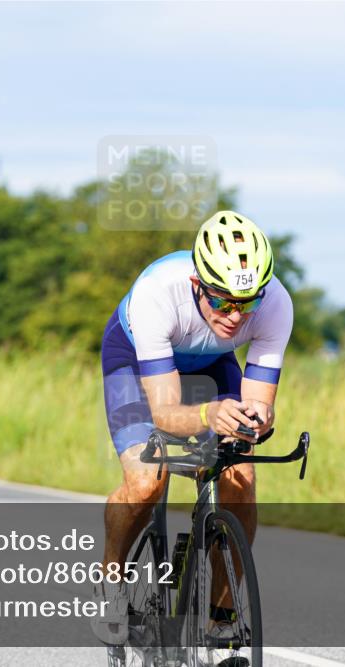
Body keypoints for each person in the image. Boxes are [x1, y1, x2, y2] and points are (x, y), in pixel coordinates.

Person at [92, 210, 294, 647]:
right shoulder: (157, 295)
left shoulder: (276, 303)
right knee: (147, 480)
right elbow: (165, 414)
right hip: (134, 359)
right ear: (196, 285)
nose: (235, 317)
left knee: (240, 477)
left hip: (211, 364)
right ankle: (111, 580)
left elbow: (260, 402)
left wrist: (257, 420)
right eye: (222, 301)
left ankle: (221, 620)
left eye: (248, 303)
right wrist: (208, 415)